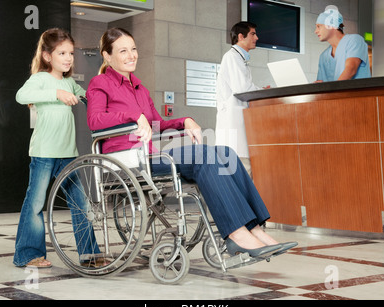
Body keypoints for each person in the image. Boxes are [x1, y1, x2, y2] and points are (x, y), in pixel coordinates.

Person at [86, 27, 297, 259]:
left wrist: (185, 121)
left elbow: (157, 124)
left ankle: (254, 229)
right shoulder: (100, 83)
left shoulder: (140, 89)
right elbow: (95, 121)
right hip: (126, 161)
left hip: (149, 158)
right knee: (203, 157)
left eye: (133, 49)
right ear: (107, 56)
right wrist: (133, 117)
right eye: (123, 51)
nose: (131, 55)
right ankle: (237, 235)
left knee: (226, 154)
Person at [13, 28, 101, 268]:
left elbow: (90, 97)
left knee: (80, 203)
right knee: (35, 203)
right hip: (43, 153)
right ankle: (28, 254)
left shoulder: (70, 82)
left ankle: (89, 254)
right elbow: (21, 96)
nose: (68, 58)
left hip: (68, 154)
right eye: (62, 53)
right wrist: (56, 93)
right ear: (47, 56)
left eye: (71, 53)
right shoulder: (41, 79)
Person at [215, 22, 261, 176]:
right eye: (253, 34)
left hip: (237, 129)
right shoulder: (232, 57)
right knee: (242, 175)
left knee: (243, 174)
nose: (256, 37)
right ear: (241, 36)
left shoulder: (238, 58)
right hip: (234, 130)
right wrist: (263, 91)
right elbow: (242, 89)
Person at [315, 6, 371, 82]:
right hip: (335, 94)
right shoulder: (324, 56)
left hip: (357, 93)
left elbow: (351, 69)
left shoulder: (354, 40)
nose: (316, 31)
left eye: (319, 26)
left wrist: (333, 90)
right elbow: (321, 82)